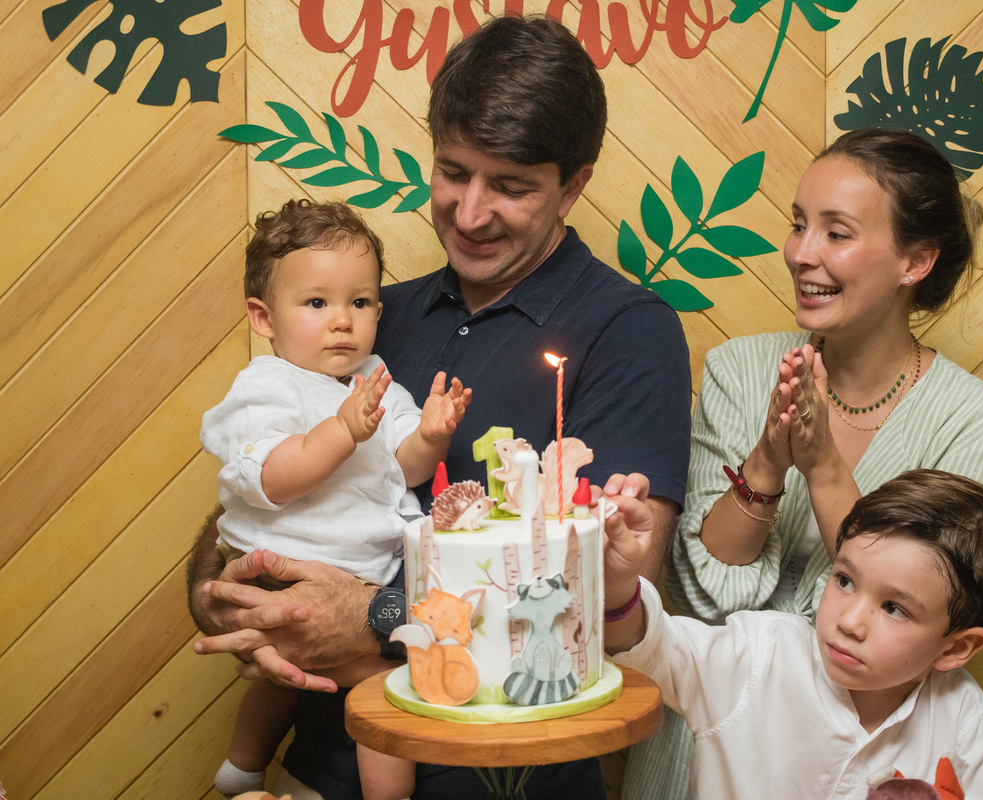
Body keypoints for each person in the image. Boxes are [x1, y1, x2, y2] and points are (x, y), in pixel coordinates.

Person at [186, 14, 692, 800]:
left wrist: (376, 617)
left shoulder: (630, 331)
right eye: (454, 172)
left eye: (513, 186)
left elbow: (609, 595)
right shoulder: (368, 318)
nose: (470, 211)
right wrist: (226, 597)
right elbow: (261, 494)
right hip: (320, 761)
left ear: (576, 183)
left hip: (505, 773)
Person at [625, 128, 983, 800]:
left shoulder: (979, 425)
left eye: (836, 233)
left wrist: (823, 468)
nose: (800, 253)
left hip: (871, 765)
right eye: (798, 224)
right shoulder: (741, 370)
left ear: (915, 260)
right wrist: (766, 463)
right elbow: (703, 598)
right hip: (707, 748)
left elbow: (921, 610)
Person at [201, 199, 472, 799]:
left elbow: (404, 468)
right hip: (280, 572)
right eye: (317, 303)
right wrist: (343, 430)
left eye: (360, 302)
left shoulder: (376, 381)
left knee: (285, 681)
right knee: (380, 686)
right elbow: (273, 475)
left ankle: (242, 769)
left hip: (357, 579)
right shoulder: (267, 386)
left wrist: (431, 433)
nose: (342, 321)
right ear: (263, 317)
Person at [603, 469, 983, 798]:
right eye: (844, 580)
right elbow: (651, 649)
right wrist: (619, 585)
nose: (849, 621)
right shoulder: (761, 654)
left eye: (894, 608)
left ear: (957, 648)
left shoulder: (965, 722)